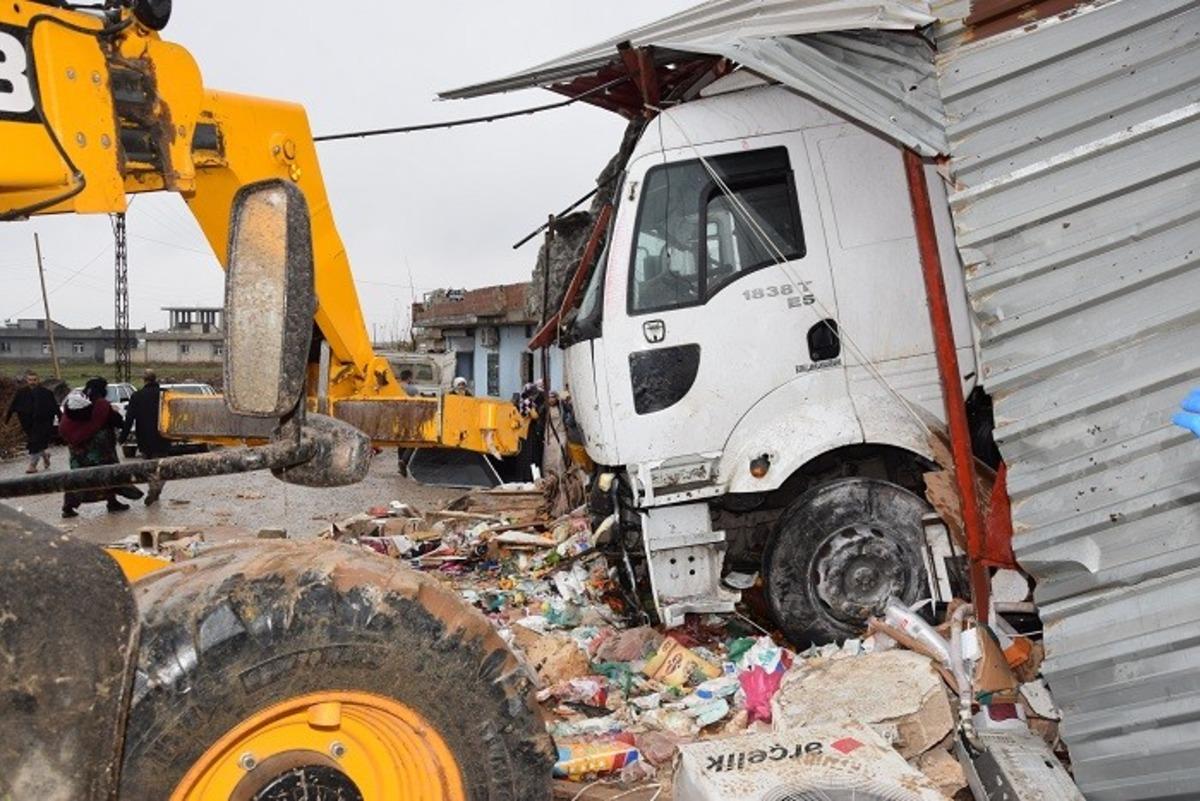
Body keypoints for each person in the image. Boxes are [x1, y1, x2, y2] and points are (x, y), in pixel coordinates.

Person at [59, 377, 142, 518]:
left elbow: (66, 424)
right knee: (108, 474)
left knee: (78, 478)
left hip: (78, 450)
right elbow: (117, 421)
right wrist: (115, 412)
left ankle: (69, 506)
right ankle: (112, 501)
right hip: (100, 450)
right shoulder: (101, 405)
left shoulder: (74, 404)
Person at [121, 368, 168, 505]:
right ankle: (156, 489)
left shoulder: (137, 396)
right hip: (162, 437)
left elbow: (129, 419)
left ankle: (152, 489)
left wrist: (123, 438)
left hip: (144, 438)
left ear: (144, 380)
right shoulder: (165, 395)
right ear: (155, 379)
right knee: (162, 467)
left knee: (148, 467)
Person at [5, 370, 58, 473]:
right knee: (37, 442)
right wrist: (7, 420)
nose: (32, 382)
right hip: (28, 423)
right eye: (30, 380)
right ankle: (45, 455)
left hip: (43, 423)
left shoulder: (46, 393)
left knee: (35, 443)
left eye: (34, 380)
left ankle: (32, 466)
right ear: (27, 380)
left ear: (38, 380)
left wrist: (61, 420)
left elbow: (54, 407)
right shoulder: (21, 393)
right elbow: (12, 406)